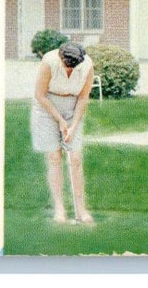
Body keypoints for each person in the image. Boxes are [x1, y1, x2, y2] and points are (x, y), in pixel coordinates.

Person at [31, 42, 95, 224]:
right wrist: (59, 120)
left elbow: (83, 97)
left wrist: (73, 126)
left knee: (75, 158)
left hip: (73, 106)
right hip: (47, 106)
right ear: (60, 57)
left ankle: (81, 211)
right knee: (54, 156)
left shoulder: (87, 66)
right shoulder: (49, 62)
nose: (69, 68)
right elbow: (39, 94)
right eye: (67, 64)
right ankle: (60, 209)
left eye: (73, 66)